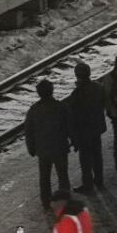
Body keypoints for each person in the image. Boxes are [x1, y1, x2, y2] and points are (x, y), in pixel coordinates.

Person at [25, 79, 72, 207]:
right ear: (52, 91)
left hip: (43, 149)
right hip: (60, 147)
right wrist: (74, 141)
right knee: (63, 175)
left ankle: (45, 200)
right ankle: (65, 201)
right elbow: (70, 125)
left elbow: (29, 131)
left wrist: (31, 148)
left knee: (44, 177)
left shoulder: (34, 109)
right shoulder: (60, 107)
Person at [65, 62, 106, 194]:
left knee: (85, 158)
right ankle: (99, 179)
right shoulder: (98, 87)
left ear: (77, 76)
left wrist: (72, 135)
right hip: (96, 126)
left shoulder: (77, 93)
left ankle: (88, 184)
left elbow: (72, 114)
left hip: (83, 130)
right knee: (97, 154)